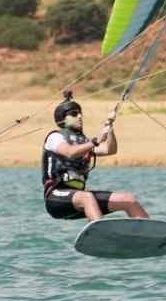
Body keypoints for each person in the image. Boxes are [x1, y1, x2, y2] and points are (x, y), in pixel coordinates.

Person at [42, 93, 146, 222]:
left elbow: (109, 150)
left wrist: (109, 126)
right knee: (87, 197)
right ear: (62, 119)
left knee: (128, 199)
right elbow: (69, 152)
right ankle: (101, 236)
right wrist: (95, 141)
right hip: (56, 198)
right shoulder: (55, 137)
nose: (79, 116)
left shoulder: (83, 142)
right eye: (74, 114)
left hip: (79, 199)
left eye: (80, 113)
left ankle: (152, 235)